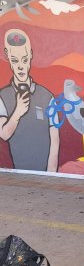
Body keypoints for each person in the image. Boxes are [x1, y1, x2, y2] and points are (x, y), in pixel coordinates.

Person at [0, 29, 59, 172]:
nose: (20, 66)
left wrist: (51, 176)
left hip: (45, 176)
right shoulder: (3, 96)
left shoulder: (47, 97)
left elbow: (55, 141)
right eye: (15, 60)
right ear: (7, 57)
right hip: (16, 177)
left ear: (31, 55)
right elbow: (4, 134)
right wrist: (17, 112)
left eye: (25, 59)